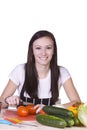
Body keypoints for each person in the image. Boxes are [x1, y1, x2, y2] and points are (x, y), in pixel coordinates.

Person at [0, 30, 81, 113]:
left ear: (54, 51)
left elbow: (77, 103)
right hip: (23, 122)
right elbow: (1, 102)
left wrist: (52, 108)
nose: (43, 53)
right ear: (32, 51)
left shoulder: (62, 72)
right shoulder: (20, 70)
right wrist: (8, 100)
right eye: (38, 48)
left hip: (49, 123)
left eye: (48, 48)